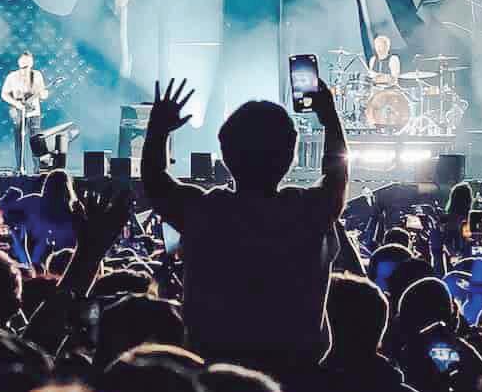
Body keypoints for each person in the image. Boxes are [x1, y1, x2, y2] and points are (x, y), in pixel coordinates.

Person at [140, 76, 350, 381]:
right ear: (290, 153)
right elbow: (337, 176)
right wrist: (329, 118)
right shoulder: (308, 211)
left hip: (214, 374)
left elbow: (154, 179)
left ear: (225, 154)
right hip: (295, 375)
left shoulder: (206, 212)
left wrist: (158, 131)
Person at [0, 53, 50, 174]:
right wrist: (16, 104)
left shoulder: (37, 75)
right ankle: (20, 167)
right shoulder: (12, 76)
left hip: (34, 112)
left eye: (27, 66)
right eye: (23, 66)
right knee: (19, 140)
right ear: (19, 64)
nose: (25, 70)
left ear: (31, 64)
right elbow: (4, 94)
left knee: (36, 140)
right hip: (18, 112)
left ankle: (38, 168)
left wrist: (44, 95)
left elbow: (43, 93)